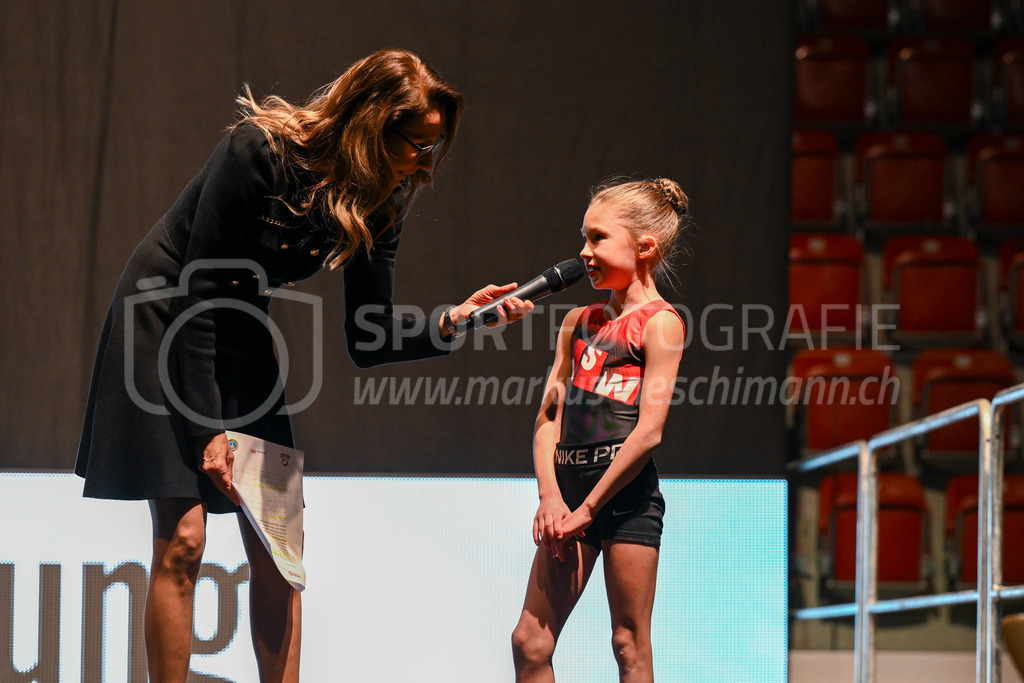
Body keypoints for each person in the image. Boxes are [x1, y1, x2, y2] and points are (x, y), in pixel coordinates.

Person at [75, 49, 532, 682]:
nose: (422, 162)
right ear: (372, 121)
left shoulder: (383, 199)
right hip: (168, 317)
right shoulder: (259, 151)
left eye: (433, 148)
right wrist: (207, 430)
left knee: (277, 543)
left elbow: (367, 336)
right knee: (184, 538)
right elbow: (199, 292)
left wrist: (458, 321)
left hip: (240, 330)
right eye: (415, 144)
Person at [510, 178, 689, 682]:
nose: (584, 252)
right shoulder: (579, 322)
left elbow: (649, 431)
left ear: (645, 247)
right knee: (530, 642)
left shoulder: (660, 323)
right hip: (567, 493)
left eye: (598, 238)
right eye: (583, 238)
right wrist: (551, 496)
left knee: (628, 643)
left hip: (625, 497)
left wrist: (590, 509)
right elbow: (549, 417)